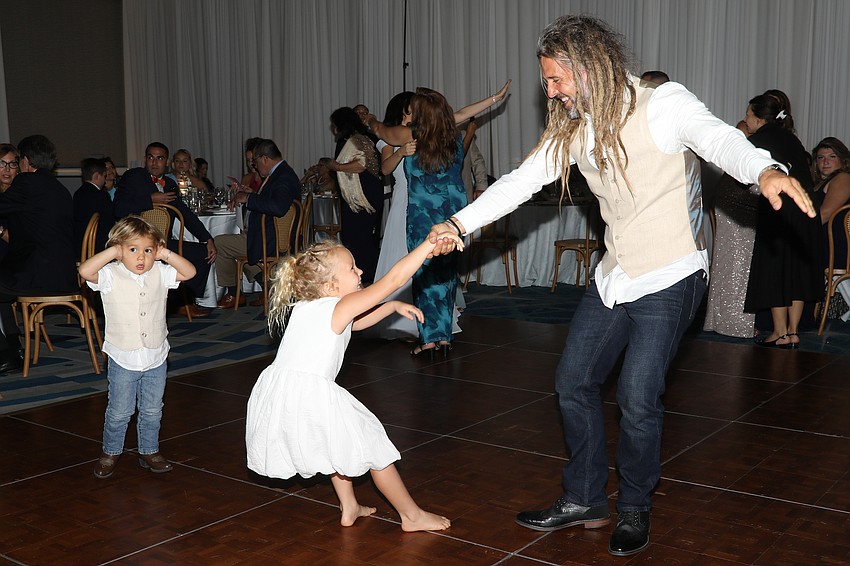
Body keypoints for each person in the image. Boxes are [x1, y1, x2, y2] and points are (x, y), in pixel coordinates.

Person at [425, 15, 815, 557]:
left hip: (673, 271)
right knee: (572, 381)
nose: (551, 93)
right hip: (615, 275)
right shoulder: (573, 128)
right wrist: (459, 224)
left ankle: (634, 506)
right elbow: (519, 181)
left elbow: (720, 140)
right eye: (547, 84)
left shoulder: (662, 103)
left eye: (557, 80)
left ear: (589, 67)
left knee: (637, 394)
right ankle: (584, 497)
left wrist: (764, 169)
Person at [245, 231, 462, 531]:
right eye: (352, 268)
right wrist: (427, 246)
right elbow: (394, 281)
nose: (360, 271)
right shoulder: (337, 307)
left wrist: (390, 308)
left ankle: (350, 506)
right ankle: (411, 516)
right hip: (311, 392)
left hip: (284, 392)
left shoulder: (307, 306)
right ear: (330, 284)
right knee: (374, 446)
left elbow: (353, 324)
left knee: (335, 444)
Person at [366, 81, 510, 356]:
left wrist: (369, 118)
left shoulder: (409, 135)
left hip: (423, 214)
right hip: (454, 213)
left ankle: (429, 339)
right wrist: (493, 99)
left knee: (423, 275)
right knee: (446, 274)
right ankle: (443, 337)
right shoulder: (449, 133)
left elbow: (380, 130)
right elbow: (465, 113)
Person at [79, 216, 196, 479]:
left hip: (156, 355)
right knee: (120, 411)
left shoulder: (161, 272)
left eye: (147, 250)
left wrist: (164, 252)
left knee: (153, 409)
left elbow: (190, 272)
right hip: (123, 356)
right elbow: (86, 271)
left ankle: (149, 450)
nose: (141, 257)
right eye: (133, 250)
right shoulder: (110, 275)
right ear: (120, 251)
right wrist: (113, 251)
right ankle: (110, 452)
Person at [743, 94, 821, 349]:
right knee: (796, 270)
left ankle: (779, 332)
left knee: (774, 269)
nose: (747, 120)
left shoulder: (757, 140)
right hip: (805, 207)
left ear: (756, 117)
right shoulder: (792, 138)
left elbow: (744, 175)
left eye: (747, 115)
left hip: (781, 208)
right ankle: (793, 331)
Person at [0, 135, 79, 373]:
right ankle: (11, 346)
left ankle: (5, 355)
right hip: (61, 272)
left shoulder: (27, 183)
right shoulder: (59, 188)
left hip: (40, 274)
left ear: (25, 161)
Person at [114, 142, 216, 318]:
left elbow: (185, 214)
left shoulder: (169, 183)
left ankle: (183, 301)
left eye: (159, 158)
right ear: (145, 160)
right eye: (150, 157)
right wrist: (150, 199)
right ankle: (173, 302)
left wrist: (207, 239)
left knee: (202, 253)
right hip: (135, 243)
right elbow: (118, 207)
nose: (154, 162)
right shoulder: (134, 177)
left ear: (166, 162)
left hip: (162, 244)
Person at [215, 138, 301, 308]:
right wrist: (253, 194)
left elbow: (279, 207)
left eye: (255, 162)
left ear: (264, 159)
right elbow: (273, 200)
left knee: (219, 243)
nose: (254, 166)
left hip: (270, 240)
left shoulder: (281, 177)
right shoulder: (282, 173)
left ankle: (234, 294)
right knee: (241, 243)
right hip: (268, 235)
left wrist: (248, 198)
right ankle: (267, 283)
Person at [321, 107, 385, 284]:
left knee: (359, 239)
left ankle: (369, 278)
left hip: (363, 196)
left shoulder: (356, 140)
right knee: (358, 238)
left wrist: (337, 167)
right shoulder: (359, 138)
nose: (334, 129)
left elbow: (361, 165)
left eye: (335, 125)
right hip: (363, 194)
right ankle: (367, 277)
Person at [811, 137, 850, 317]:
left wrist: (799, 230)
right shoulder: (818, 183)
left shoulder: (842, 178)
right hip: (823, 241)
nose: (825, 162)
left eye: (831, 156)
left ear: (842, 159)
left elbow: (825, 213)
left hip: (836, 248)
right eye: (820, 157)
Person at [73, 157, 114, 255]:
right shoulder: (102, 196)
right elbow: (109, 224)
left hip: (79, 248)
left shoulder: (78, 194)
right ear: (97, 176)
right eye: (104, 176)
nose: (105, 181)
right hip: (97, 248)